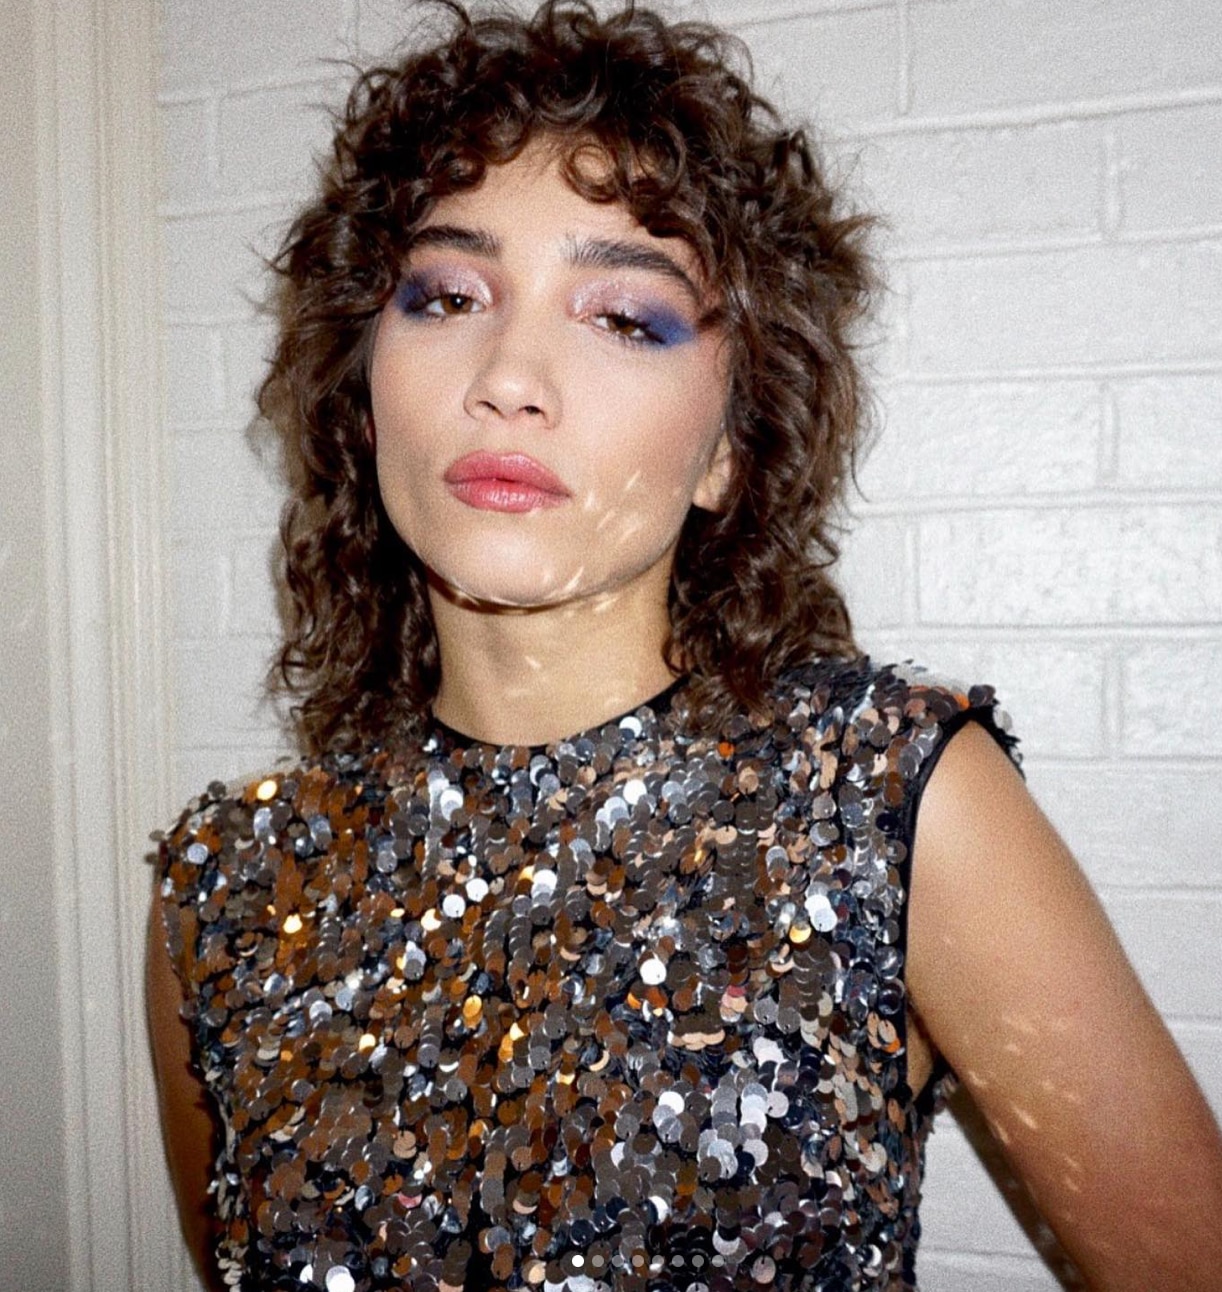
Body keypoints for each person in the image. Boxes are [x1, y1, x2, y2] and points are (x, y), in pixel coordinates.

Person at [146, 2, 1222, 1289]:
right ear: (362, 399)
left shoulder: (883, 809)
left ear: (726, 449)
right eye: (447, 295)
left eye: (624, 319)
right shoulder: (229, 892)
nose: (510, 371)